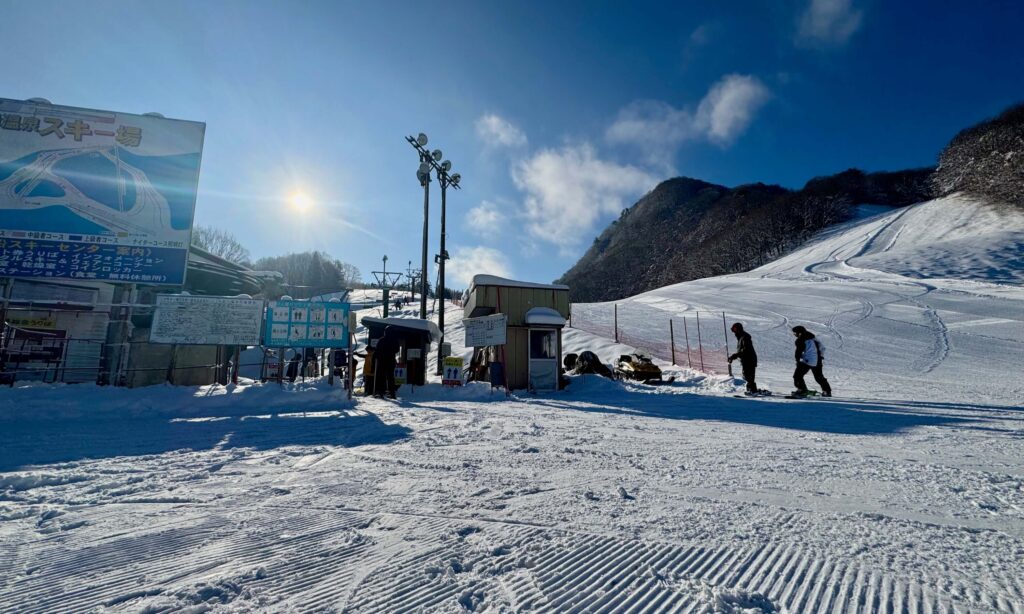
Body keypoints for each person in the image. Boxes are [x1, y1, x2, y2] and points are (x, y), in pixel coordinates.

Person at [791, 325, 832, 397]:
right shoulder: (813, 338)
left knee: (797, 375)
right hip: (817, 360)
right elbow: (822, 348)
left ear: (799, 333)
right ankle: (827, 391)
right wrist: (820, 357)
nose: (794, 335)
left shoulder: (800, 340)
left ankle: (802, 390)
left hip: (808, 361)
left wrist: (798, 361)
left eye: (795, 333)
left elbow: (798, 352)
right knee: (819, 377)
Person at [727, 322, 759, 394]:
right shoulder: (741, 337)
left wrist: (735, 355)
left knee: (748, 375)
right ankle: (751, 389)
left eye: (735, 330)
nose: (734, 332)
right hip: (746, 360)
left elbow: (745, 350)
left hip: (750, 359)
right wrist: (735, 356)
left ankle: (752, 390)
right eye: (733, 330)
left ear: (738, 329)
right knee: (747, 375)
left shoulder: (745, 337)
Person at [373, 326, 400, 399]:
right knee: (390, 377)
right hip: (391, 361)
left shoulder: (382, 340)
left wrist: (376, 355)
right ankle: (392, 393)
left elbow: (377, 350)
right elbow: (397, 349)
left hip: (382, 361)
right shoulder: (394, 340)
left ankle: (381, 392)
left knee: (381, 377)